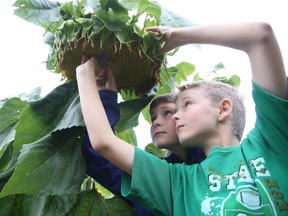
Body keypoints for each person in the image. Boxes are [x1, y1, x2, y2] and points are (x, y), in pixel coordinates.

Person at [76, 22, 288, 215]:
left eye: (186, 104)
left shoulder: (271, 141)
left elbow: (261, 35)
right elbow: (103, 142)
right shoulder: (178, 181)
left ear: (223, 109)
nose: (175, 116)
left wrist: (177, 38)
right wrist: (86, 76)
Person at [81, 62, 205, 215]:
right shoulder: (149, 173)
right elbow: (99, 159)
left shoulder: (212, 163)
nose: (156, 122)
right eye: (153, 118)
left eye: (167, 113)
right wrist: (106, 97)